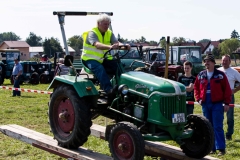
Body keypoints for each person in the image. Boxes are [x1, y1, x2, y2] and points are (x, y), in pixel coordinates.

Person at [81, 13, 130, 98]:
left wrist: (124, 46)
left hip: (102, 59)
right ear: (98, 23)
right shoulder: (92, 33)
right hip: (89, 59)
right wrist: (110, 47)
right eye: (105, 24)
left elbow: (116, 43)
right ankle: (109, 90)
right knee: (100, 68)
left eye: (108, 24)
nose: (107, 26)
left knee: (118, 66)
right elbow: (97, 44)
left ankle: (123, 88)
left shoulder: (109, 33)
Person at [194, 54, 232, 156]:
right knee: (208, 126)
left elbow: (227, 90)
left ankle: (221, 149)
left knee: (217, 126)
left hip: (217, 104)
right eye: (205, 61)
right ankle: (211, 148)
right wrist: (199, 99)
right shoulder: (201, 75)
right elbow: (196, 88)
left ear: (213, 63)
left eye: (208, 61)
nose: (206, 63)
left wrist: (227, 103)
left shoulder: (220, 75)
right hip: (206, 104)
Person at [218, 54, 240, 140]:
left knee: (230, 116)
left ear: (230, 62)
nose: (224, 62)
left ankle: (229, 134)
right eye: (223, 60)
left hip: (229, 96)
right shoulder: (218, 71)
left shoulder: (234, 72)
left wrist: (235, 90)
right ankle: (219, 133)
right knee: (218, 115)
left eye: (226, 61)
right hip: (219, 97)